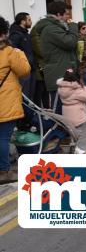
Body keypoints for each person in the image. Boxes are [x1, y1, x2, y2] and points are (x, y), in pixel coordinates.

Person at [31, 1, 79, 115]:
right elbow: (70, 42)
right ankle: (58, 132)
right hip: (58, 75)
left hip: (63, 73)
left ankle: (65, 131)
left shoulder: (56, 27)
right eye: (66, 14)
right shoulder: (50, 29)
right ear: (58, 14)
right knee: (59, 109)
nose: (69, 17)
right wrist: (73, 27)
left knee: (66, 109)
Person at [0, 16, 31, 184]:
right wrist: (19, 53)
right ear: (4, 33)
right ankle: (4, 171)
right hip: (5, 102)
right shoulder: (9, 52)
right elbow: (24, 70)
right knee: (3, 137)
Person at [9, 12, 36, 126]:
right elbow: (13, 52)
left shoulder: (25, 34)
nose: (31, 21)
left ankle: (28, 121)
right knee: (24, 98)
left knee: (29, 97)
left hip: (30, 69)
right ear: (23, 21)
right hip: (23, 72)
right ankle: (22, 123)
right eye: (29, 20)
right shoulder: (16, 34)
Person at [57, 67, 86, 154]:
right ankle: (74, 148)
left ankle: (73, 147)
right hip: (76, 113)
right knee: (76, 133)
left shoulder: (62, 88)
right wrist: (83, 86)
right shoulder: (77, 90)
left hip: (67, 112)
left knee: (70, 131)